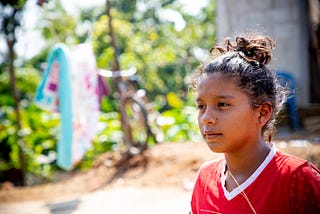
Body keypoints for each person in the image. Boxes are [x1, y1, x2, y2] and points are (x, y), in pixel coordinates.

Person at [190, 34, 320, 214]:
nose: (206, 118)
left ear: (262, 113)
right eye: (201, 106)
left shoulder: (297, 179)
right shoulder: (205, 178)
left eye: (223, 104)